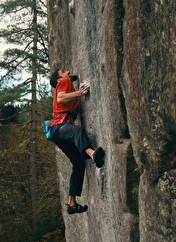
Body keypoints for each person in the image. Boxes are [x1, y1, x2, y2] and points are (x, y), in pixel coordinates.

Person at [49, 69, 105, 215]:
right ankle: (93, 155)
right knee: (77, 131)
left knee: (79, 164)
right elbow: (61, 98)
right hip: (59, 127)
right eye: (63, 71)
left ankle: (71, 203)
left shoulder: (68, 83)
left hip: (58, 132)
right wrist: (79, 93)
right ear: (59, 80)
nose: (67, 71)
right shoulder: (64, 82)